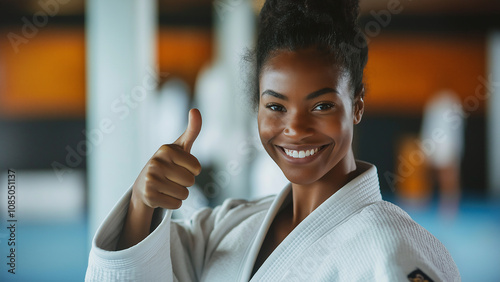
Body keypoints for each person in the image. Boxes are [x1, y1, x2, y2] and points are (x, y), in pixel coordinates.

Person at [86, 0, 460, 281]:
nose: (295, 128)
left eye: (322, 105)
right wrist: (140, 202)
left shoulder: (389, 246)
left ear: (357, 105)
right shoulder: (227, 226)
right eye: (276, 106)